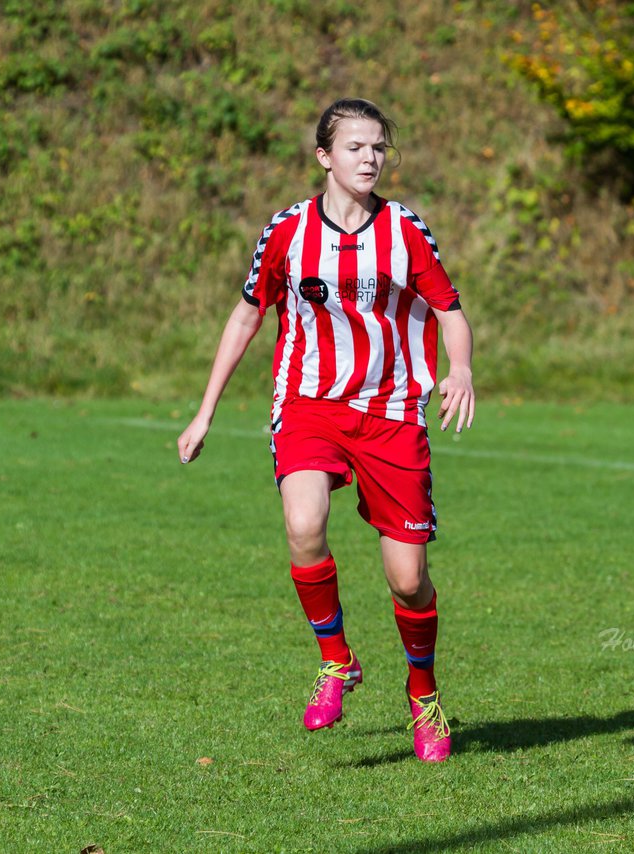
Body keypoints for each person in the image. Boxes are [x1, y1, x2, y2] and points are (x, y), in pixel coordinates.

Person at [177, 98, 475, 763]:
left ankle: (422, 695)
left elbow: (450, 310)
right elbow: (245, 316)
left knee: (407, 580)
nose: (370, 159)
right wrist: (205, 410)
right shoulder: (285, 231)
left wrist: (460, 368)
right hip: (308, 404)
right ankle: (336, 660)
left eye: (379, 148)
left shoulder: (405, 230)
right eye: (356, 148)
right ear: (324, 157)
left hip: (391, 413)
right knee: (304, 524)